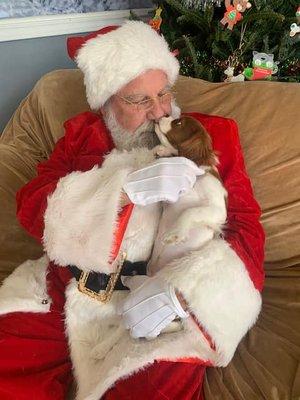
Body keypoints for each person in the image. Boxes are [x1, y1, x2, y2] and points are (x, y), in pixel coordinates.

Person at [0, 21, 265, 400]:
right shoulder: (82, 134)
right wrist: (120, 191)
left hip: (155, 301)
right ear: (107, 103)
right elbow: (32, 204)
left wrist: (186, 295)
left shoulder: (211, 135)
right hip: (67, 290)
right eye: (139, 100)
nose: (159, 111)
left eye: (163, 93)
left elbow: (246, 228)